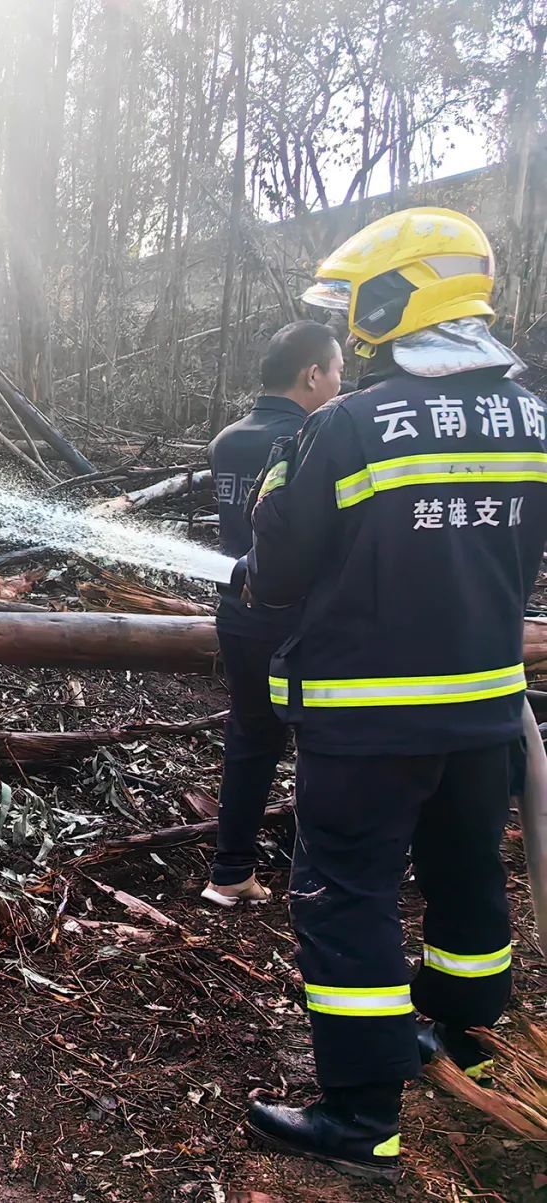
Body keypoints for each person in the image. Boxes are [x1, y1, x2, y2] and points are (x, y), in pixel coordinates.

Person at [242, 207, 547, 1183]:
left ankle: (362, 1118)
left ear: (394, 297)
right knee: (467, 883)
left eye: (360, 304)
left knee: (347, 900)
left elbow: (278, 567)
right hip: (487, 712)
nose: (353, 325)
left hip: (365, 720)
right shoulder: (535, 418)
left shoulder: (347, 424)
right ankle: (459, 1043)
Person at [201, 321, 344, 907]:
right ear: (312, 374)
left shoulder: (228, 439)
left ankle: (230, 872)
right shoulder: (318, 438)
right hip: (302, 619)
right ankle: (320, 880)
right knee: (326, 742)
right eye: (337, 370)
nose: (341, 382)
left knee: (252, 736)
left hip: (237, 612)